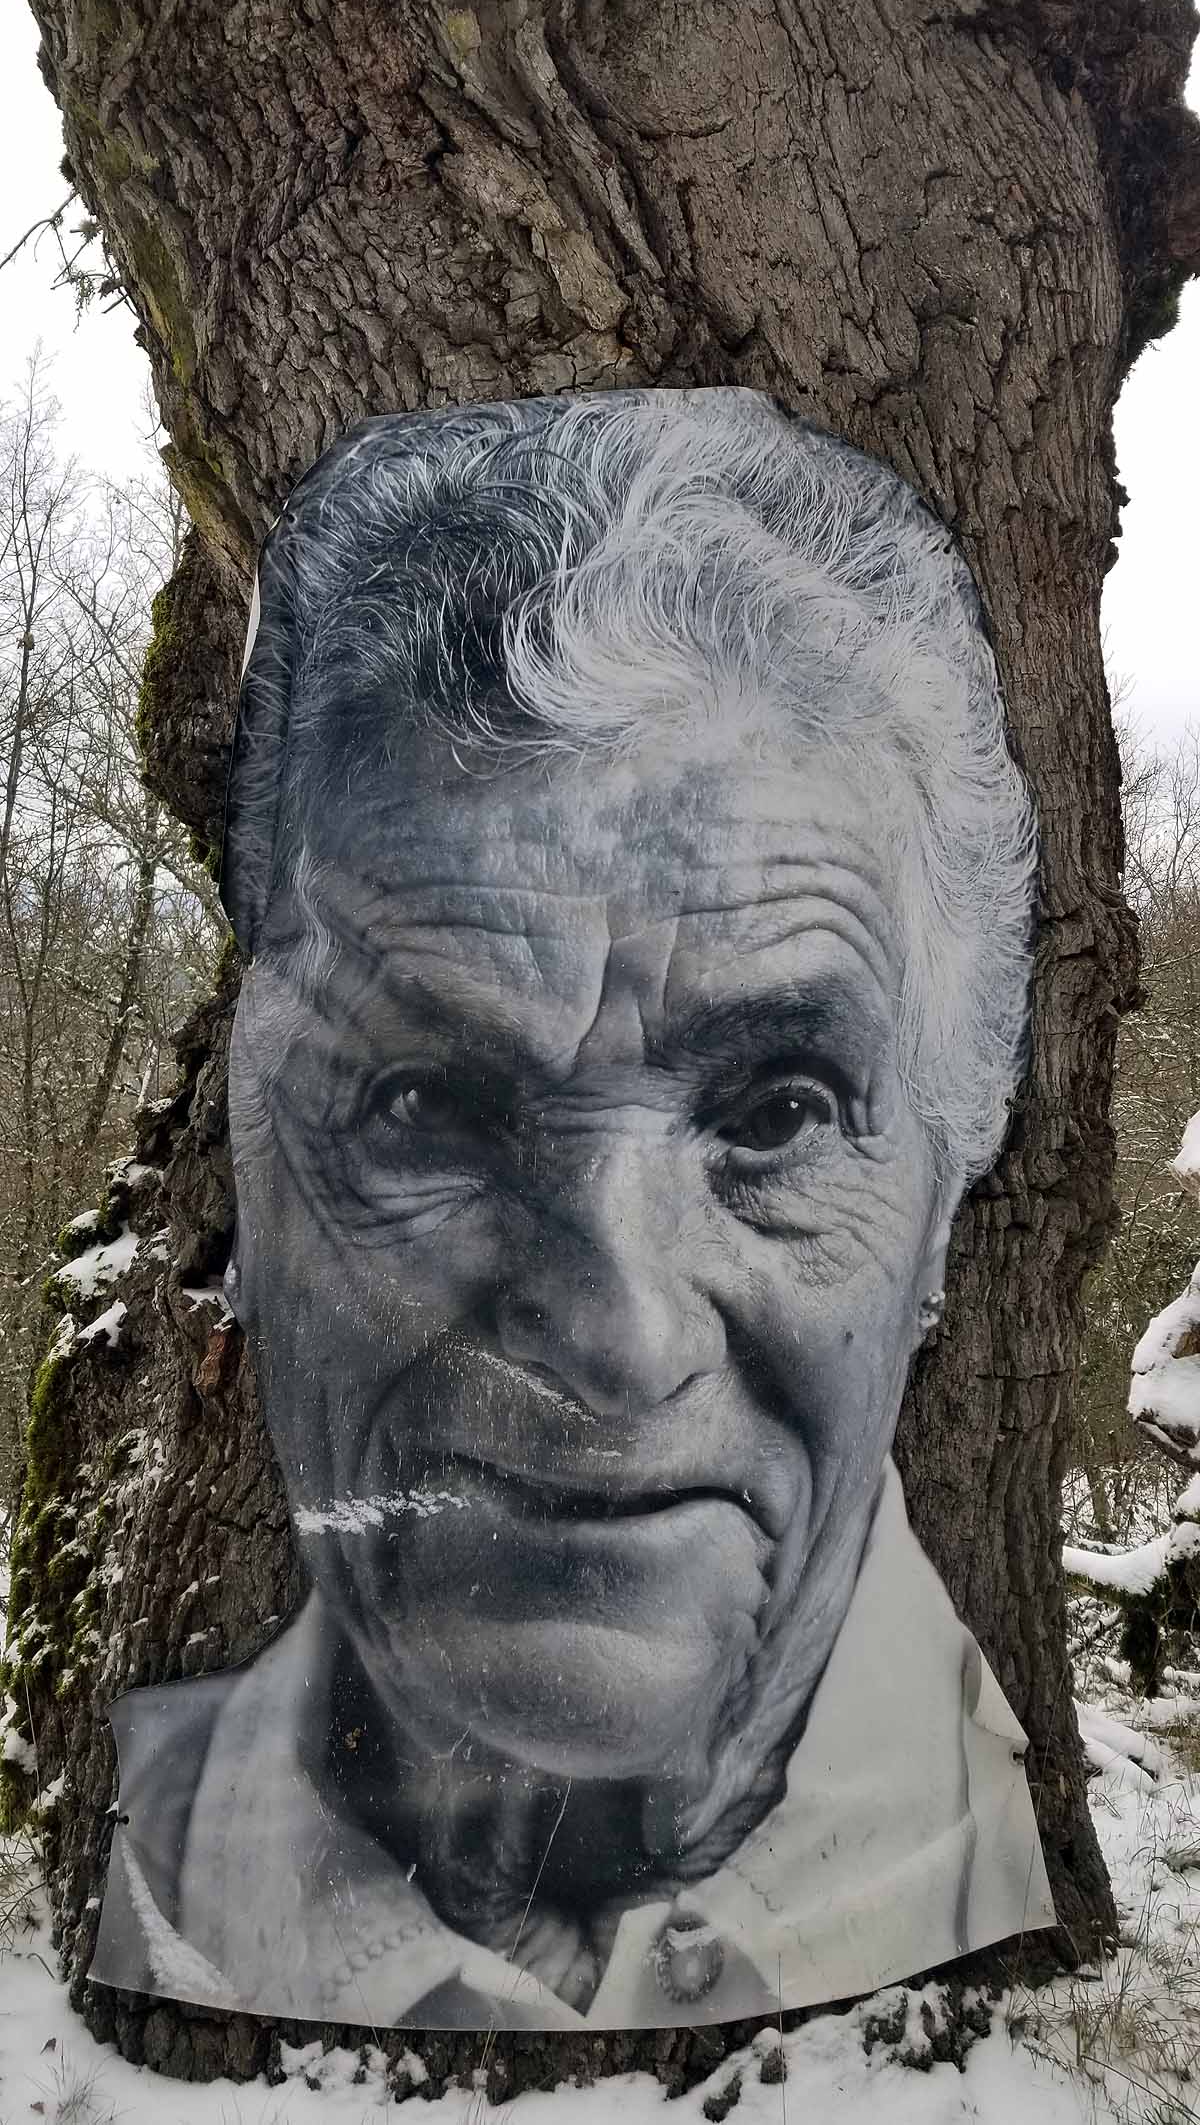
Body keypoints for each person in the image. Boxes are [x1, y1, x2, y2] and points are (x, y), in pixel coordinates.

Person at [92, 388, 1057, 2029]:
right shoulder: (154, 1867)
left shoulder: (1001, 1880)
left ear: (941, 1226)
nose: (615, 1332)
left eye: (775, 1114)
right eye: (429, 1103)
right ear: (252, 1186)